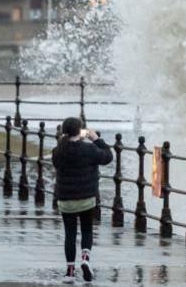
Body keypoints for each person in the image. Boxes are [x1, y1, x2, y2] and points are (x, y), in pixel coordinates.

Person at [52, 117, 112, 283]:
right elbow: (108, 157)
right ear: (80, 131)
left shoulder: (58, 151)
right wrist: (96, 139)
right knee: (86, 230)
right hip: (86, 197)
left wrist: (62, 140)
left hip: (66, 199)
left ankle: (70, 272)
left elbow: (58, 161)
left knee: (69, 234)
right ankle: (85, 258)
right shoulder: (89, 149)